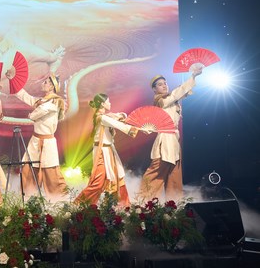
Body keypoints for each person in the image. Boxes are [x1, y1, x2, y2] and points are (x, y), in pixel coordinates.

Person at [138, 65, 203, 201]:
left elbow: (181, 93)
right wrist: (192, 76)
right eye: (160, 84)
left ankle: (174, 205)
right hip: (165, 139)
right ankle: (143, 202)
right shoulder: (161, 101)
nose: (164, 86)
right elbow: (177, 93)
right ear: (154, 89)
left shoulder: (171, 100)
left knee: (174, 176)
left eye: (165, 83)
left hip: (174, 140)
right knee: (156, 172)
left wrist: (192, 79)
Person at [75, 93, 150, 207]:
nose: (110, 103)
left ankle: (121, 205)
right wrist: (140, 129)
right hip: (102, 152)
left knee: (118, 176)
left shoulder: (105, 116)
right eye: (108, 102)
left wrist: (121, 116)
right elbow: (120, 125)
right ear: (102, 104)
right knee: (98, 182)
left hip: (109, 150)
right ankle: (79, 203)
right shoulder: (102, 118)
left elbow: (118, 116)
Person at [5, 72, 68, 201]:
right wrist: (12, 80)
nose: (42, 84)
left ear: (52, 86)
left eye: (45, 82)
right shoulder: (41, 101)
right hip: (35, 141)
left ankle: (61, 201)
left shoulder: (56, 101)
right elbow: (25, 96)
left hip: (47, 143)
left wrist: (32, 115)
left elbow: (41, 111)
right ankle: (28, 199)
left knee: (52, 174)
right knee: (28, 170)